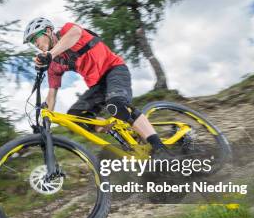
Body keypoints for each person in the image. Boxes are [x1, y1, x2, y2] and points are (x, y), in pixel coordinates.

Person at [23, 16, 167, 154]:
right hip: (97, 86)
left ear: (48, 31)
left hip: (114, 70)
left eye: (35, 38)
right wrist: (44, 124)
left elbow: (76, 33)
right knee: (76, 117)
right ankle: (117, 130)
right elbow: (51, 94)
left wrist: (50, 54)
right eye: (32, 42)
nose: (35, 44)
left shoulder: (67, 31)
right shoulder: (54, 64)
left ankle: (160, 148)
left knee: (116, 103)